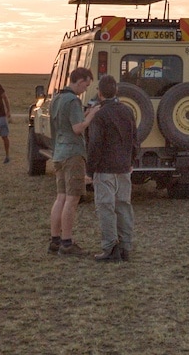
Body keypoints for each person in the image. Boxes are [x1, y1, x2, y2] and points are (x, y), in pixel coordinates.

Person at [86, 74, 138, 262]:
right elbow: (134, 138)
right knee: (124, 206)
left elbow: (95, 145)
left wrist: (89, 171)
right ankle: (125, 247)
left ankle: (110, 247)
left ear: (99, 93)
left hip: (104, 168)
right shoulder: (127, 111)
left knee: (106, 207)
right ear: (116, 91)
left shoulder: (99, 115)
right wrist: (131, 160)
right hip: (124, 166)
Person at [48, 67, 98, 256]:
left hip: (59, 152)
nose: (86, 89)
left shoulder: (57, 99)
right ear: (80, 80)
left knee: (61, 197)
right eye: (86, 84)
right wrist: (92, 115)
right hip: (73, 154)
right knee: (72, 198)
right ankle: (67, 243)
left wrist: (85, 114)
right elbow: (77, 128)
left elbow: (66, 124)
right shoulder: (73, 100)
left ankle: (55, 240)